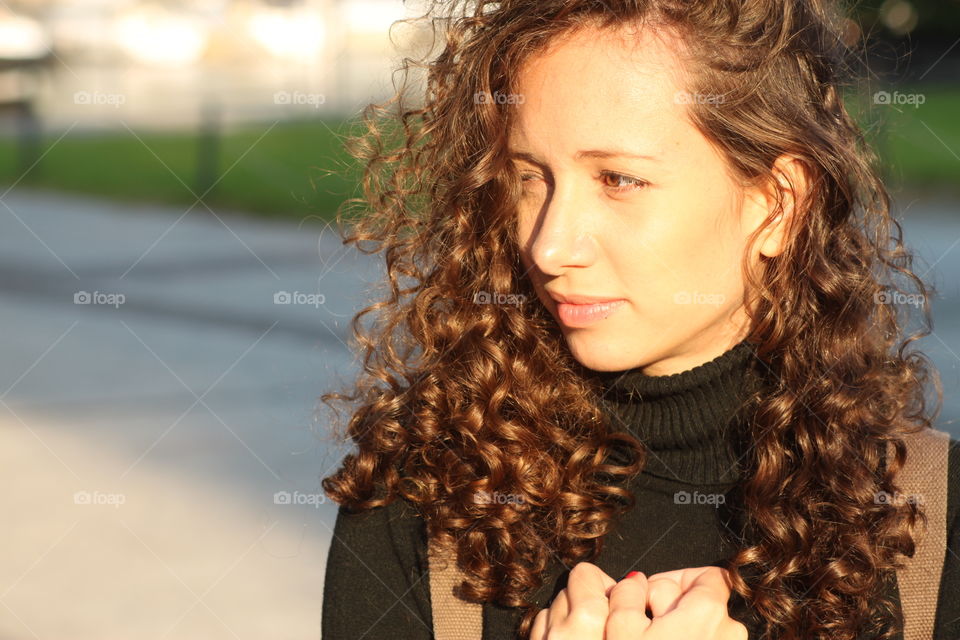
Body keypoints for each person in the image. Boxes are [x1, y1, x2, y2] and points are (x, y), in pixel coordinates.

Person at [319, 1, 960, 638]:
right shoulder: (423, 503)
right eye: (531, 179)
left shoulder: (928, 526)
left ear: (777, 204)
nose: (549, 247)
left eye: (619, 180)